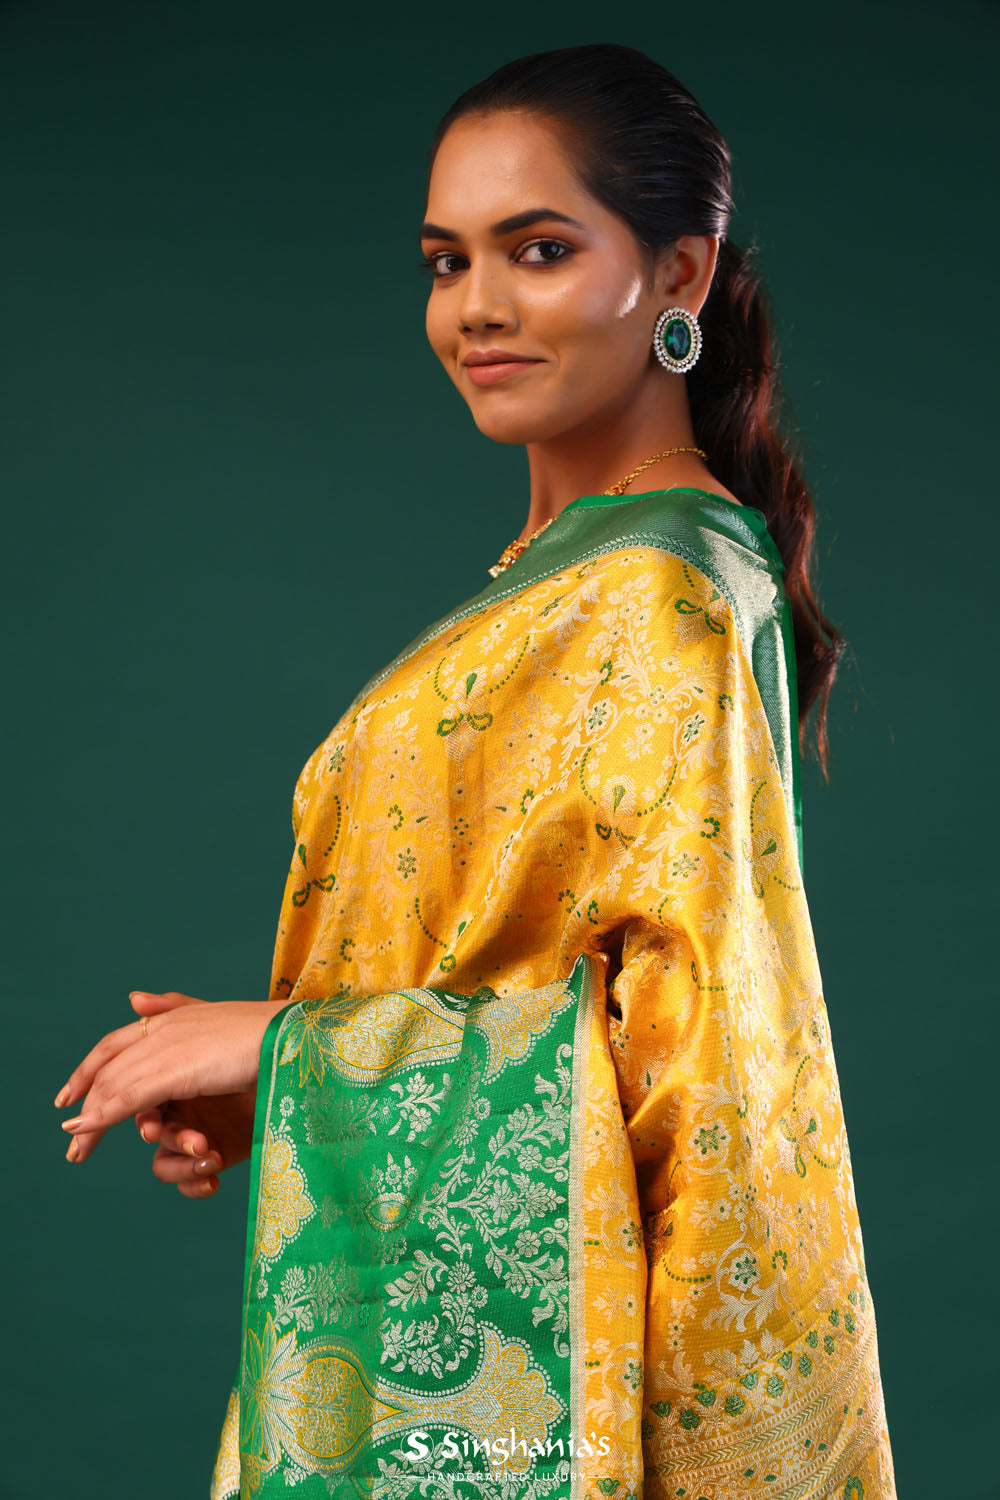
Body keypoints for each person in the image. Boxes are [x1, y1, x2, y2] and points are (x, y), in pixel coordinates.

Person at [54, 42, 896, 1500]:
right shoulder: (568, 574)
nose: (476, 307)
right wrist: (297, 1100)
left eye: (540, 249)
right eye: (448, 261)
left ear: (680, 275)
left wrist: (289, 1048)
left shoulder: (657, 598)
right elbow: (517, 966)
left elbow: (697, 1067)